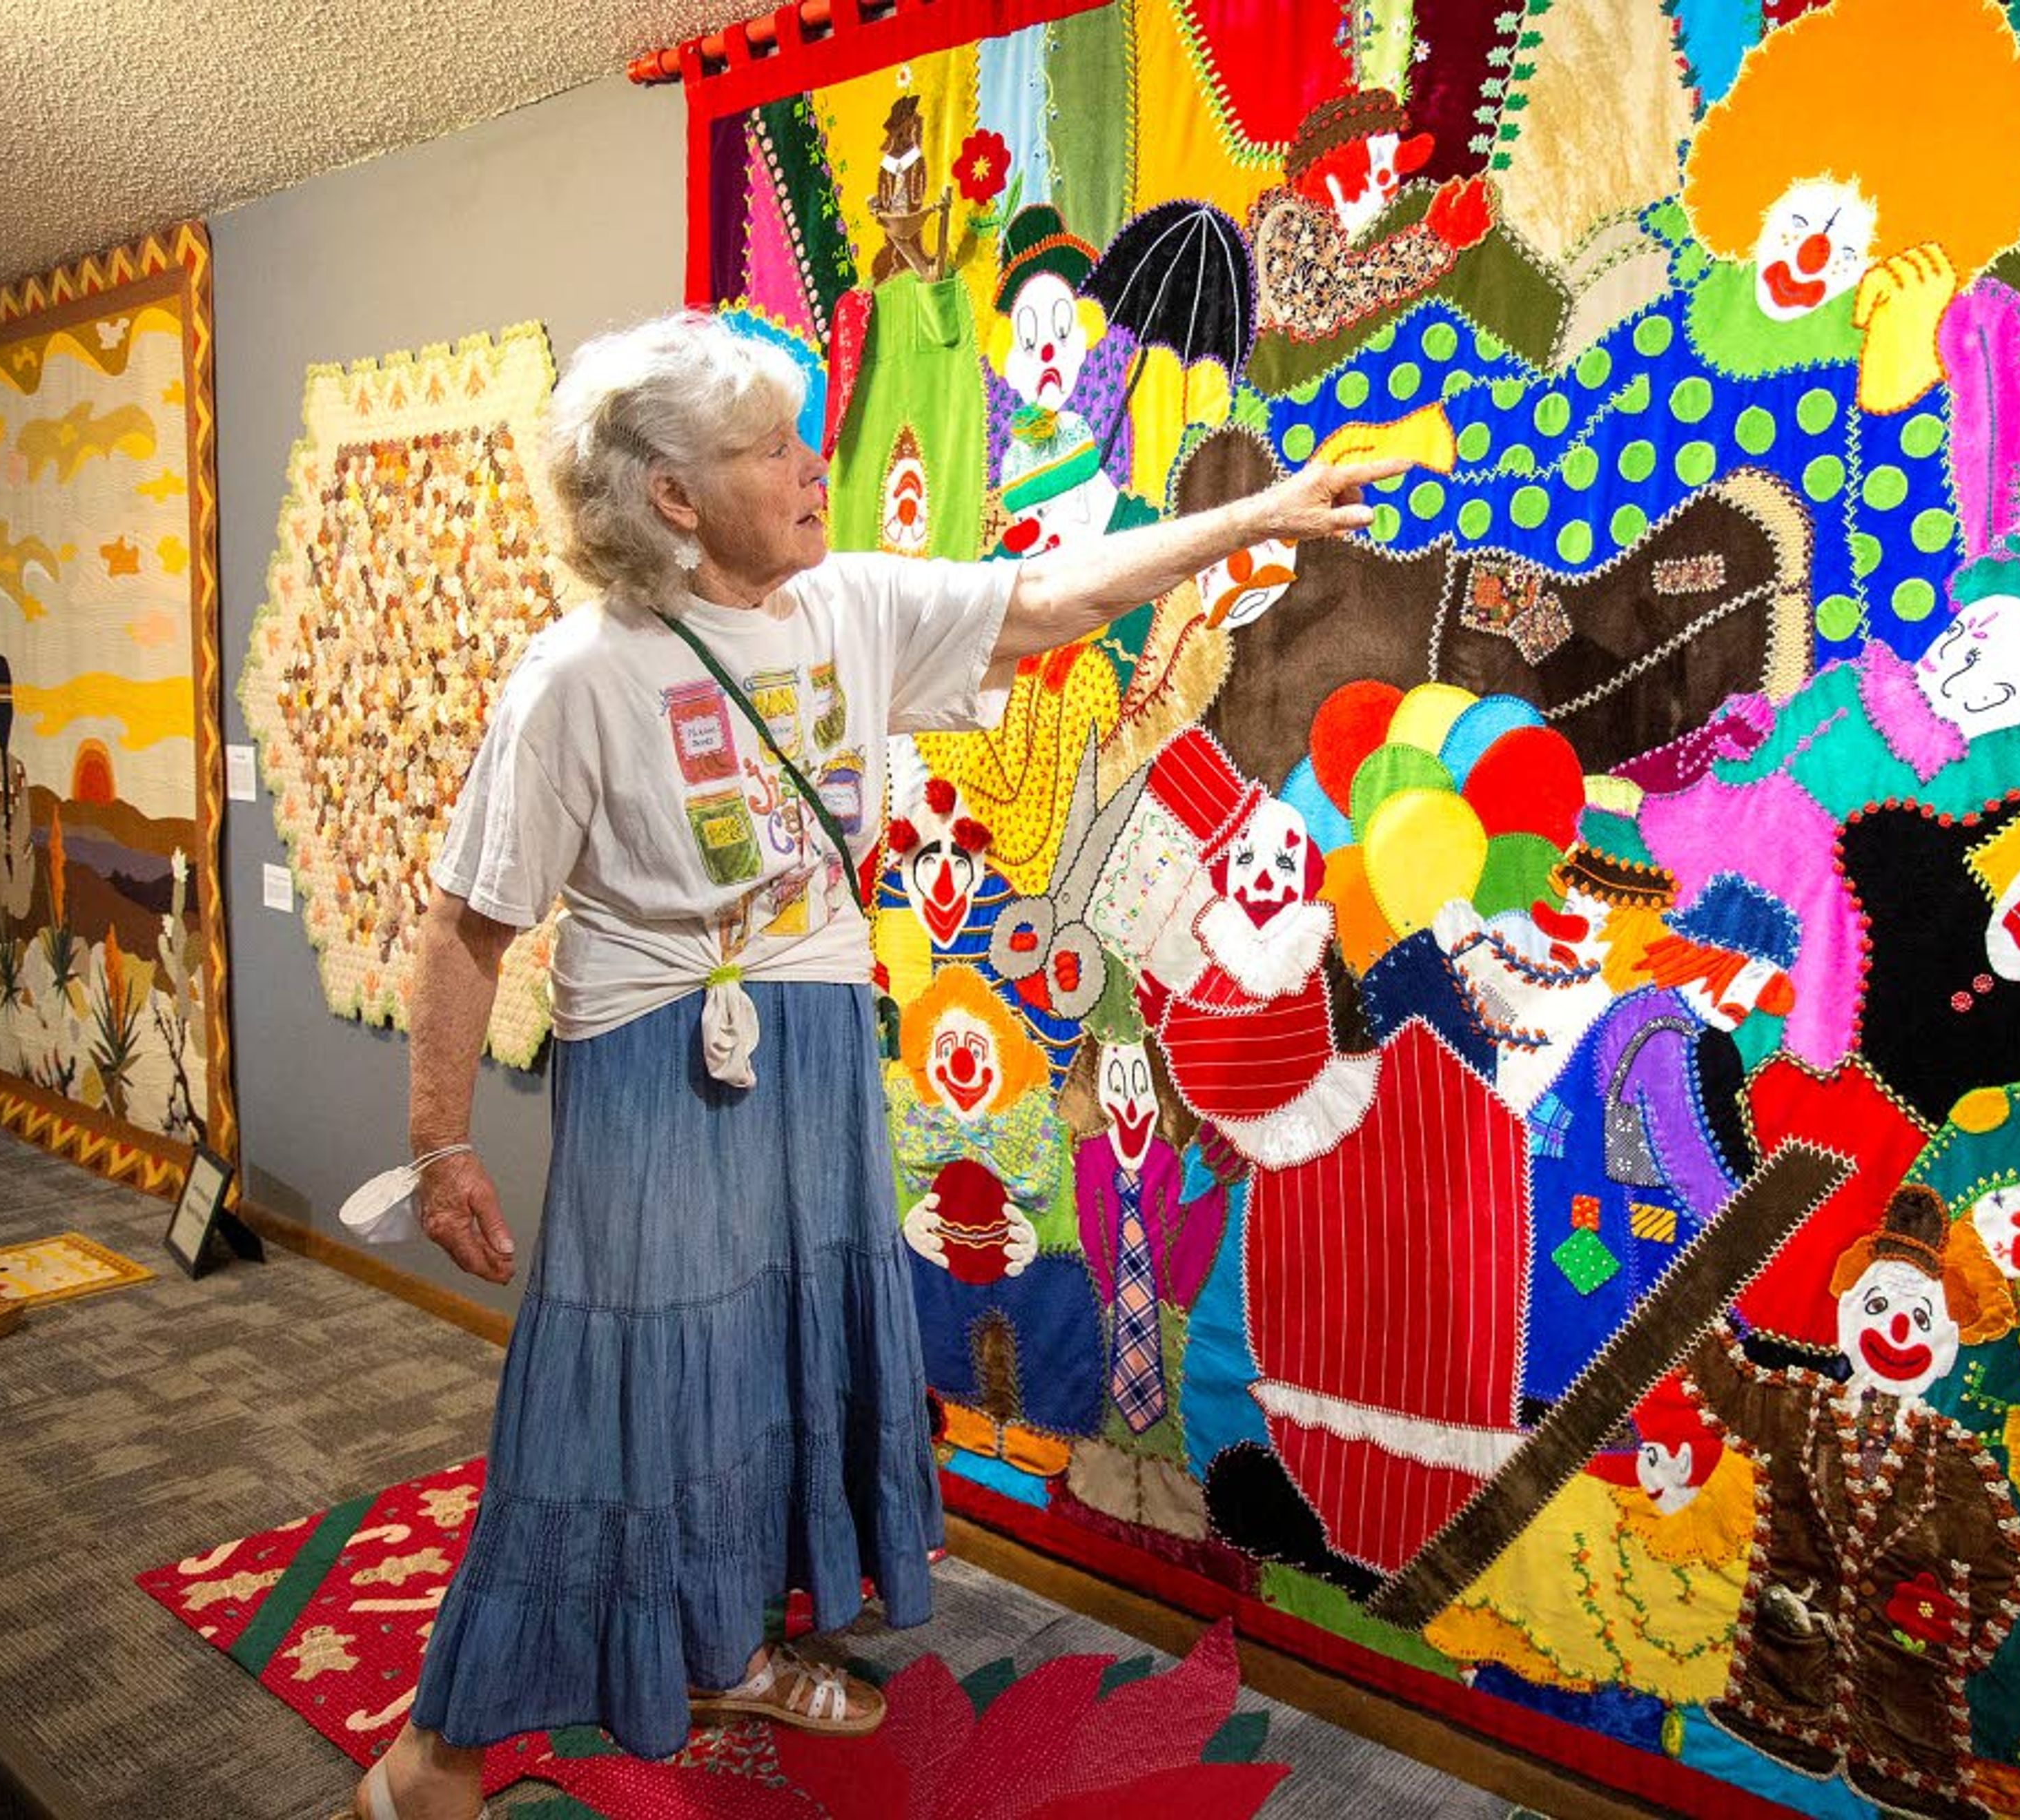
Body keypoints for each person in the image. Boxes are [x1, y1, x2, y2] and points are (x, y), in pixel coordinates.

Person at [343, 309, 1398, 1820]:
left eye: (799, 432)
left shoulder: (846, 600)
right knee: (622, 1392)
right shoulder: (574, 676)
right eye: (767, 447)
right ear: (671, 496)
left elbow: (1044, 598)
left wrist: (1250, 516)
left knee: (778, 1365)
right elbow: (472, 920)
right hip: (658, 1062)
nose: (808, 464)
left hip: (823, 1038)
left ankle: (721, 1643)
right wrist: (442, 1139)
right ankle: (436, 1756)